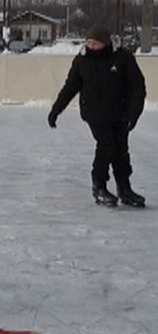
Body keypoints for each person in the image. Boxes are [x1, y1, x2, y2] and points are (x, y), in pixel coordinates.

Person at [48, 25, 146, 208]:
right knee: (107, 147)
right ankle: (99, 186)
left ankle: (124, 188)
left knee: (121, 151)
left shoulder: (123, 58)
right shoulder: (82, 61)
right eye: (89, 43)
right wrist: (56, 110)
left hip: (120, 112)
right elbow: (71, 87)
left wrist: (134, 112)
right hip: (95, 112)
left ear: (106, 43)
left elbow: (137, 86)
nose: (91, 47)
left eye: (96, 44)